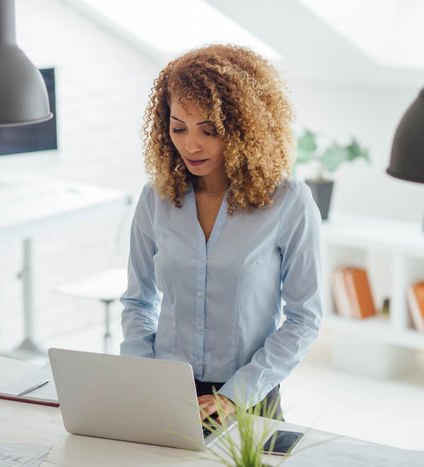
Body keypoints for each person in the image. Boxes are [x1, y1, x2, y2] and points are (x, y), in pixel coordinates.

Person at [120, 44, 322, 422]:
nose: (190, 145)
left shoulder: (288, 202)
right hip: (165, 396)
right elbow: (138, 301)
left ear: (244, 128)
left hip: (248, 401)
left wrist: (235, 397)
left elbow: (303, 318)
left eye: (209, 130)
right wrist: (141, 377)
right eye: (178, 128)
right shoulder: (156, 198)